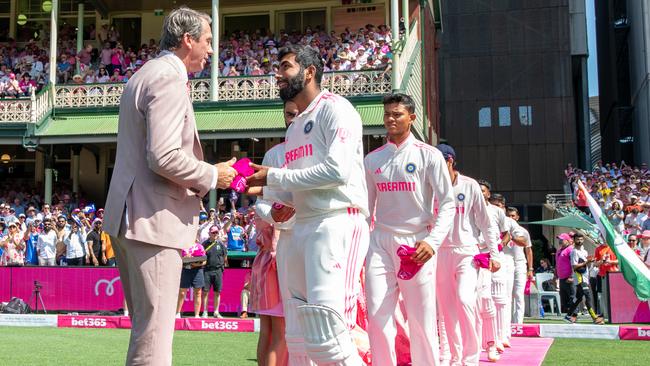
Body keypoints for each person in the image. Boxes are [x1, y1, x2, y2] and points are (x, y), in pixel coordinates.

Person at [103, 7, 237, 365]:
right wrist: (212, 176)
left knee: (147, 333)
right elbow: (162, 156)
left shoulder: (147, 73)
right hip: (152, 221)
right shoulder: (168, 77)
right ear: (187, 39)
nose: (211, 51)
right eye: (208, 41)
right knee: (154, 342)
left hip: (134, 217)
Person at [247, 44, 369, 365]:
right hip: (299, 230)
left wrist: (274, 177)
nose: (277, 74)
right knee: (299, 337)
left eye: (285, 67)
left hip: (335, 221)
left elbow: (337, 171)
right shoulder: (297, 127)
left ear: (309, 72)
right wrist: (274, 200)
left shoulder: (336, 108)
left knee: (328, 333)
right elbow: (295, 186)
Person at [362, 94, 455, 366]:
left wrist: (433, 241)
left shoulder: (429, 155)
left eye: (397, 114)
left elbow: (447, 203)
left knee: (421, 320)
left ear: (412, 117)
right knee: (378, 317)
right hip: (380, 242)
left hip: (417, 243)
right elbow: (366, 209)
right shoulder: (372, 159)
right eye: (387, 114)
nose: (390, 119)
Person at [432, 143, 499, 365]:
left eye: (439, 160)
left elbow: (486, 223)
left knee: (465, 300)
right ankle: (453, 356)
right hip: (440, 252)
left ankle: (470, 358)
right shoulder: (428, 185)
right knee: (446, 309)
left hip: (466, 252)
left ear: (450, 160)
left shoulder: (469, 186)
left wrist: (494, 254)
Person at [251, 100, 298, 366]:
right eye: (288, 114)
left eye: (297, 114)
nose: (292, 119)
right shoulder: (273, 155)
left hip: (288, 250)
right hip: (275, 254)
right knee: (274, 329)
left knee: (277, 329)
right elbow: (262, 201)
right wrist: (273, 215)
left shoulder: (317, 151)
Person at [564, 232, 604, 324]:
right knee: (588, 296)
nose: (580, 241)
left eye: (581, 239)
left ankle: (568, 316)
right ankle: (594, 318)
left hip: (585, 277)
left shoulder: (584, 251)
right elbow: (574, 266)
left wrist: (590, 262)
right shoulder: (574, 252)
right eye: (578, 239)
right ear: (574, 240)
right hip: (579, 278)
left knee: (578, 298)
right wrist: (586, 262)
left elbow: (587, 267)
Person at [504, 207, 533, 325]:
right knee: (507, 294)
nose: (511, 218)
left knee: (519, 294)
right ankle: (507, 322)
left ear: (517, 217)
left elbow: (528, 250)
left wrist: (530, 268)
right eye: (509, 216)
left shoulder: (523, 231)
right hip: (506, 263)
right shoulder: (502, 230)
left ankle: (518, 323)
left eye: (513, 216)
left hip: (520, 264)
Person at [201, 225, 228, 318]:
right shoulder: (204, 244)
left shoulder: (221, 244)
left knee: (217, 292)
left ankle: (216, 312)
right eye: (213, 232)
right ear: (209, 233)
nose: (215, 234)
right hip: (207, 270)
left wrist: (221, 267)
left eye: (216, 232)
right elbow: (201, 257)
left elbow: (225, 257)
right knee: (205, 292)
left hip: (218, 271)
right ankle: (205, 311)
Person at [176, 241, 206, 318]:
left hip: (197, 270)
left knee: (198, 292)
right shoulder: (183, 246)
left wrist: (195, 264)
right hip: (186, 269)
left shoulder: (200, 246)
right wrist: (185, 258)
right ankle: (177, 313)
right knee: (182, 292)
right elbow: (178, 259)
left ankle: (197, 315)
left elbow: (204, 261)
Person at [554, 233, 575, 314]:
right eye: (559, 240)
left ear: (567, 240)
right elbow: (557, 264)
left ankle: (573, 314)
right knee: (564, 298)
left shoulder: (570, 249)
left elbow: (573, 263)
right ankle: (567, 314)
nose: (560, 241)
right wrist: (555, 275)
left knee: (571, 297)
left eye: (562, 240)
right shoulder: (559, 251)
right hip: (561, 278)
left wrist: (572, 276)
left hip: (569, 278)